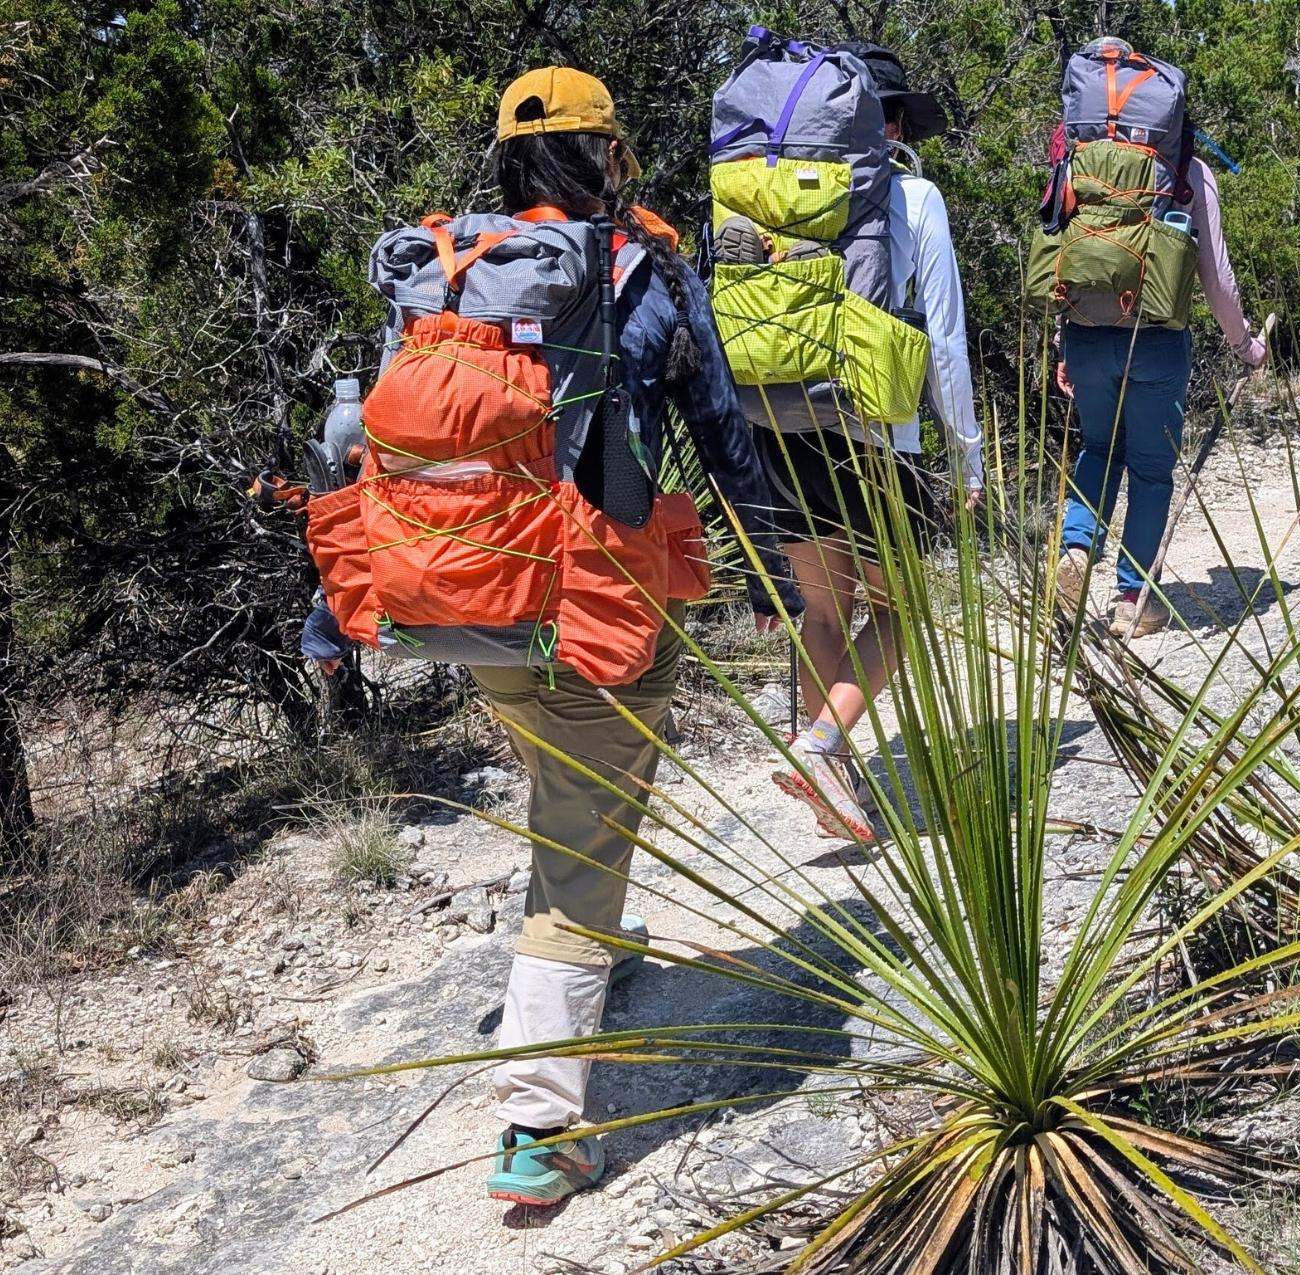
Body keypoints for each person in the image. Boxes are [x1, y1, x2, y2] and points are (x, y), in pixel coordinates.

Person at [303, 67, 802, 1208]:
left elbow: (375, 451)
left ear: (504, 164)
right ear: (612, 155)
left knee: (570, 783)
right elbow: (722, 436)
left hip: (450, 603)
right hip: (586, 607)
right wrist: (782, 576)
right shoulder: (644, 271)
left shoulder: (447, 272)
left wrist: (328, 608)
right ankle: (541, 1129)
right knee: (575, 853)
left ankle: (605, 936)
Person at [764, 42, 984, 841]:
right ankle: (823, 742)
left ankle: (835, 781)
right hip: (874, 434)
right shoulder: (913, 196)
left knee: (824, 615)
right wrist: (967, 453)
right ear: (889, 121)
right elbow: (947, 342)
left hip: (779, 427)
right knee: (903, 611)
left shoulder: (770, 200)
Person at [1052, 84, 1267, 638]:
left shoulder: (1078, 163)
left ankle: (1076, 552)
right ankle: (1132, 600)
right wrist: (1246, 345)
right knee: (1150, 471)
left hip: (1087, 333)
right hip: (1156, 340)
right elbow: (1216, 279)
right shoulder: (1189, 172)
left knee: (1099, 448)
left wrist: (1063, 345)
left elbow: (1065, 257)